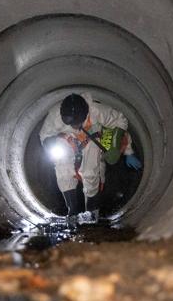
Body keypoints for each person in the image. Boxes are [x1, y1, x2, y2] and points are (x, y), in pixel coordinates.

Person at [39, 92, 142, 224]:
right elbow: (44, 135)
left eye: (77, 123)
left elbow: (120, 121)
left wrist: (122, 149)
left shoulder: (97, 111)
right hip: (67, 140)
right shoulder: (55, 116)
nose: (74, 126)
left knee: (90, 172)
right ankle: (73, 211)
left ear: (85, 114)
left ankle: (92, 213)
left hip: (92, 137)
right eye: (70, 123)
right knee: (62, 166)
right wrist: (50, 146)